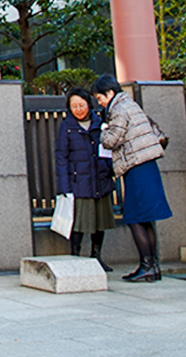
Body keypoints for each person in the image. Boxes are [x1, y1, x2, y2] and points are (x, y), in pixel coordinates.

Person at [93, 74, 173, 282]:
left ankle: (146, 266)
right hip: (147, 165)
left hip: (136, 167)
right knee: (146, 218)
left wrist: (102, 131)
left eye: (100, 98)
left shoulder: (118, 110)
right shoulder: (131, 105)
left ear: (109, 93)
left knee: (134, 217)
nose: (99, 102)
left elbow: (111, 140)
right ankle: (153, 267)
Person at [53, 87, 115, 271]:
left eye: (81, 105)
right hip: (78, 181)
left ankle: (97, 257)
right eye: (74, 106)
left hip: (99, 178)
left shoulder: (100, 124)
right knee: (78, 222)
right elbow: (61, 157)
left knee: (99, 222)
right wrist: (64, 186)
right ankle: (75, 256)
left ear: (89, 104)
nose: (78, 109)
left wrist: (108, 171)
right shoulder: (67, 127)